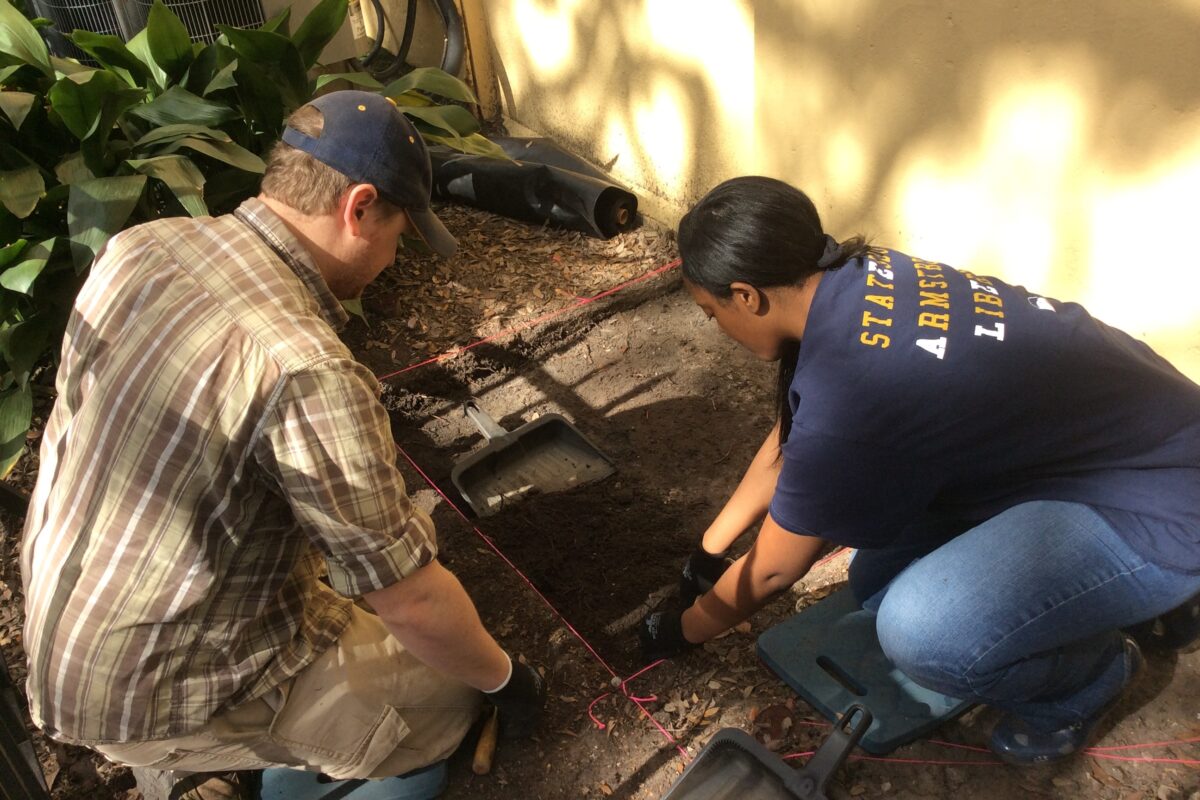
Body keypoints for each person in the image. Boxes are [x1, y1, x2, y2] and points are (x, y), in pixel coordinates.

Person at [20, 90, 544, 799]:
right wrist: (507, 678)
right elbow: (411, 601)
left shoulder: (142, 246)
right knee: (449, 700)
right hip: (152, 685)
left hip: (71, 624)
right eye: (401, 233)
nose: (394, 257)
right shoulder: (303, 366)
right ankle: (236, 758)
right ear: (358, 208)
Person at [639, 175, 1200, 765]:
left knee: (923, 634)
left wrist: (683, 630)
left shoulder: (853, 388)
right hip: (1116, 447)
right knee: (877, 581)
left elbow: (776, 571)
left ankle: (1091, 674)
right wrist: (708, 551)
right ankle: (1134, 601)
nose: (716, 328)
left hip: (1161, 502)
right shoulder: (858, 280)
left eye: (710, 313)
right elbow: (793, 441)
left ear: (747, 296)